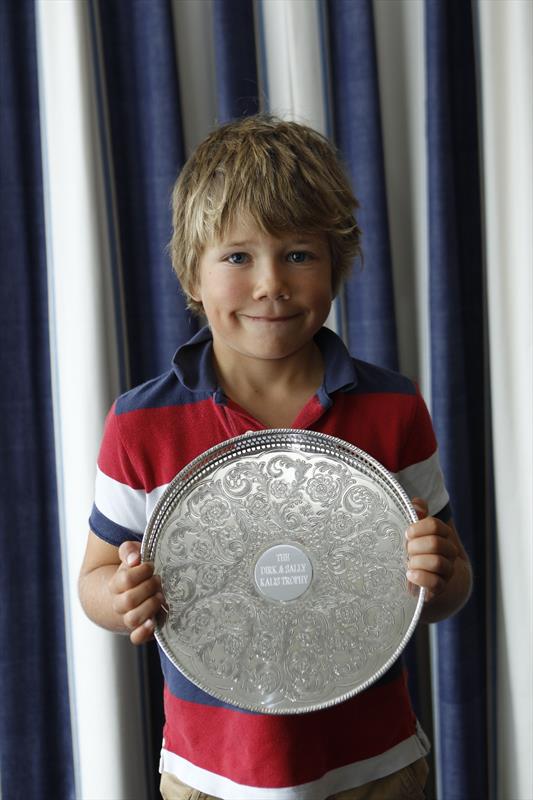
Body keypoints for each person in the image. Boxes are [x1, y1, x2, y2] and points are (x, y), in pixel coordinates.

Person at [79, 115, 472, 800]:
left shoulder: (392, 409)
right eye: (237, 257)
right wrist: (119, 597)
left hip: (374, 768)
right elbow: (95, 579)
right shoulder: (139, 424)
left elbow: (448, 586)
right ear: (192, 273)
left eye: (297, 254)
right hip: (210, 777)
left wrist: (439, 576)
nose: (270, 283)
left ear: (335, 265)